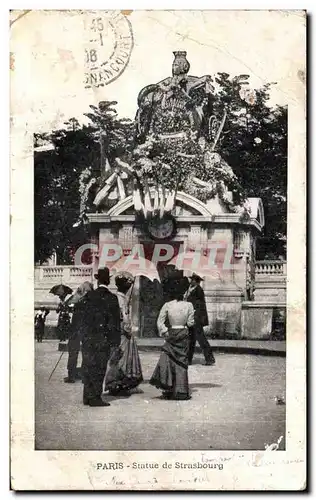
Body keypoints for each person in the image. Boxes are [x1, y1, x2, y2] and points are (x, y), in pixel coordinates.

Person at [149, 274, 195, 400]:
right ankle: (181, 390)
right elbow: (191, 323)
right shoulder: (189, 305)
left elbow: (160, 322)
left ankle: (169, 387)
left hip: (172, 333)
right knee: (181, 362)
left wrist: (165, 332)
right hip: (183, 333)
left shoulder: (167, 305)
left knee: (170, 361)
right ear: (185, 291)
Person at [82, 267, 121, 407]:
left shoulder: (89, 296)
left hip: (88, 337)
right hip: (103, 338)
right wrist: (115, 342)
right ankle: (95, 398)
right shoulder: (112, 298)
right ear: (108, 281)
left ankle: (87, 396)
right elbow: (115, 322)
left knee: (88, 365)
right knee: (99, 368)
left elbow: (83, 317)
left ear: (98, 281)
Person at [104, 272, 143, 395]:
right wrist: (128, 329)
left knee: (120, 358)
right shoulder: (120, 299)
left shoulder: (120, 297)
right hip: (122, 333)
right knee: (121, 358)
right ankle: (117, 384)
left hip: (120, 332)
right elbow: (124, 317)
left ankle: (120, 383)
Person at [64, 281, 94, 384]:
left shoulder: (78, 300)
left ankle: (71, 375)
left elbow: (68, 305)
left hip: (76, 330)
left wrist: (77, 294)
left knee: (73, 353)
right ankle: (84, 375)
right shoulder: (91, 301)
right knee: (86, 353)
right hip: (86, 330)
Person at [185, 273, 215, 366]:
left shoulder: (198, 290)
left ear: (196, 281)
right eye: (191, 279)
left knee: (200, 339)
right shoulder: (191, 289)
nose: (191, 281)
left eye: (193, 279)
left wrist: (194, 317)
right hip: (192, 317)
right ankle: (188, 359)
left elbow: (199, 306)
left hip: (196, 318)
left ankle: (209, 358)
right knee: (191, 339)